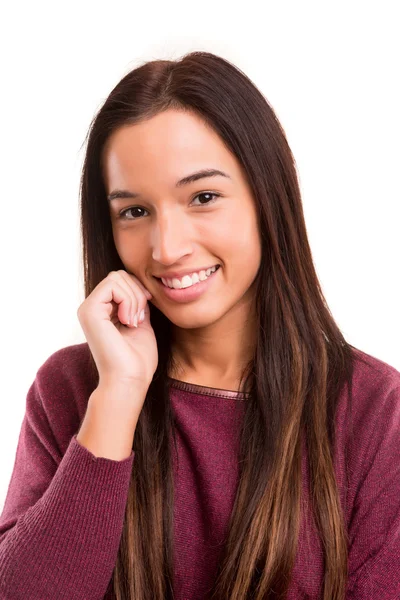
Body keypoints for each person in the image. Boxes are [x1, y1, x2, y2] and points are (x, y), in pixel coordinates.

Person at [0, 50, 399, 600]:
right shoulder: (72, 390)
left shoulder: (375, 411)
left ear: (267, 198)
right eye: (134, 211)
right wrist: (119, 395)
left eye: (203, 197)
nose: (167, 248)